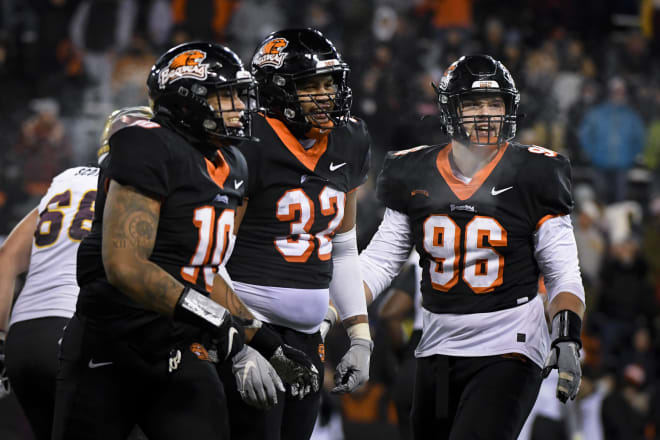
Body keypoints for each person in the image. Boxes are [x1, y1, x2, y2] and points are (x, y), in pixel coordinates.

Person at [51, 41, 319, 440]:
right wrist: (213, 318)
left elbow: (203, 272)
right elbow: (125, 266)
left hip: (176, 346)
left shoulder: (233, 165)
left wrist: (265, 340)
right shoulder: (147, 144)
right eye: (226, 95)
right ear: (188, 99)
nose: (240, 107)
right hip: (110, 345)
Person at [359, 54, 586, 439]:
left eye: (494, 103)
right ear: (451, 110)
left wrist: (566, 335)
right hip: (436, 342)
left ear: (508, 108)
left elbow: (563, 270)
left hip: (510, 342)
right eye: (474, 103)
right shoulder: (412, 171)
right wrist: (337, 312)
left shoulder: (536, 173)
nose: (486, 113)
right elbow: (380, 260)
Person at [221, 28, 373, 440]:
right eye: (310, 86)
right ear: (276, 90)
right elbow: (212, 258)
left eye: (329, 83)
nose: (325, 95)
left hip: (308, 337)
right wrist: (238, 341)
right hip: (250, 328)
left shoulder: (350, 140)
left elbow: (342, 248)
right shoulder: (248, 141)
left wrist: (360, 336)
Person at [0, 106, 152, 440]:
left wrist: (1, 337)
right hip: (80, 335)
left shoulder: (67, 179)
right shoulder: (144, 188)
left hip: (23, 339)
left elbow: (7, 257)